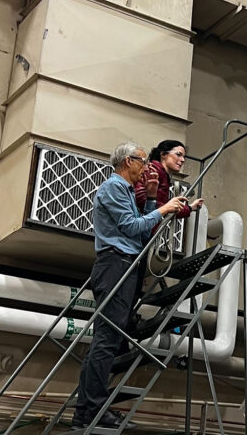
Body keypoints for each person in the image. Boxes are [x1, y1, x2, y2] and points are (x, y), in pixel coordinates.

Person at [74, 141, 187, 429]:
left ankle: (86, 411)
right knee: (106, 342)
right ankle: (95, 409)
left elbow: (142, 230)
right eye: (141, 161)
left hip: (123, 264)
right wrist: (163, 209)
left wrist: (151, 198)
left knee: (105, 341)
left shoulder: (124, 191)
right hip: (116, 265)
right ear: (127, 162)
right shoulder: (113, 187)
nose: (146, 167)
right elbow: (132, 227)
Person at [134, 139, 204, 223]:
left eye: (183, 156)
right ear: (163, 154)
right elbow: (141, 198)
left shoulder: (162, 174)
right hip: (141, 226)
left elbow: (165, 208)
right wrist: (167, 208)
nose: (183, 160)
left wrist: (190, 208)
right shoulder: (153, 170)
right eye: (178, 154)